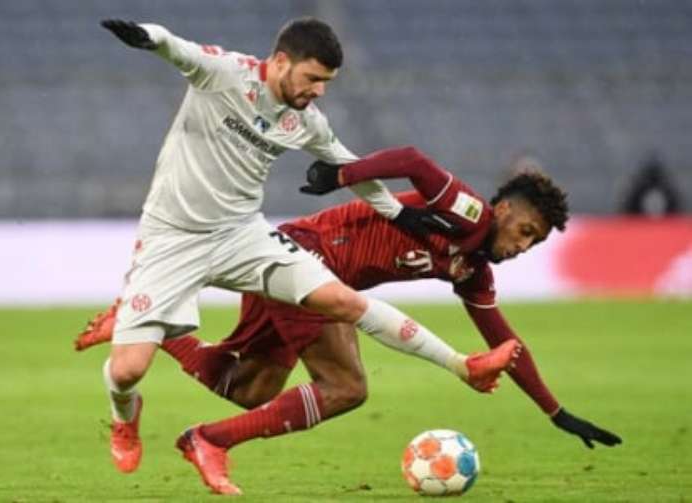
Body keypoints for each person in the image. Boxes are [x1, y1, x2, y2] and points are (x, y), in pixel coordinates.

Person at [96, 17, 500, 494]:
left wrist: (395, 213)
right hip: (172, 237)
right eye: (313, 78)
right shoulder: (226, 74)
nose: (319, 91)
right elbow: (178, 50)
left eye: (326, 83)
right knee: (127, 371)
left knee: (343, 301)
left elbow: (349, 165)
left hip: (242, 235)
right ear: (281, 62)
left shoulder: (304, 120)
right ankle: (126, 418)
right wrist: (148, 37)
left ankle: (460, 364)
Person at [77, 145, 622, 494]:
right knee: (346, 386)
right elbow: (410, 160)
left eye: (536, 242)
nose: (525, 246)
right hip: (305, 259)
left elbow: (505, 342)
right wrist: (342, 172)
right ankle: (207, 440)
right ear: (503, 211)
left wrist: (556, 412)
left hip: (313, 279)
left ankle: (147, 327)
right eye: (526, 231)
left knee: (248, 387)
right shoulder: (467, 211)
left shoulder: (474, 272)